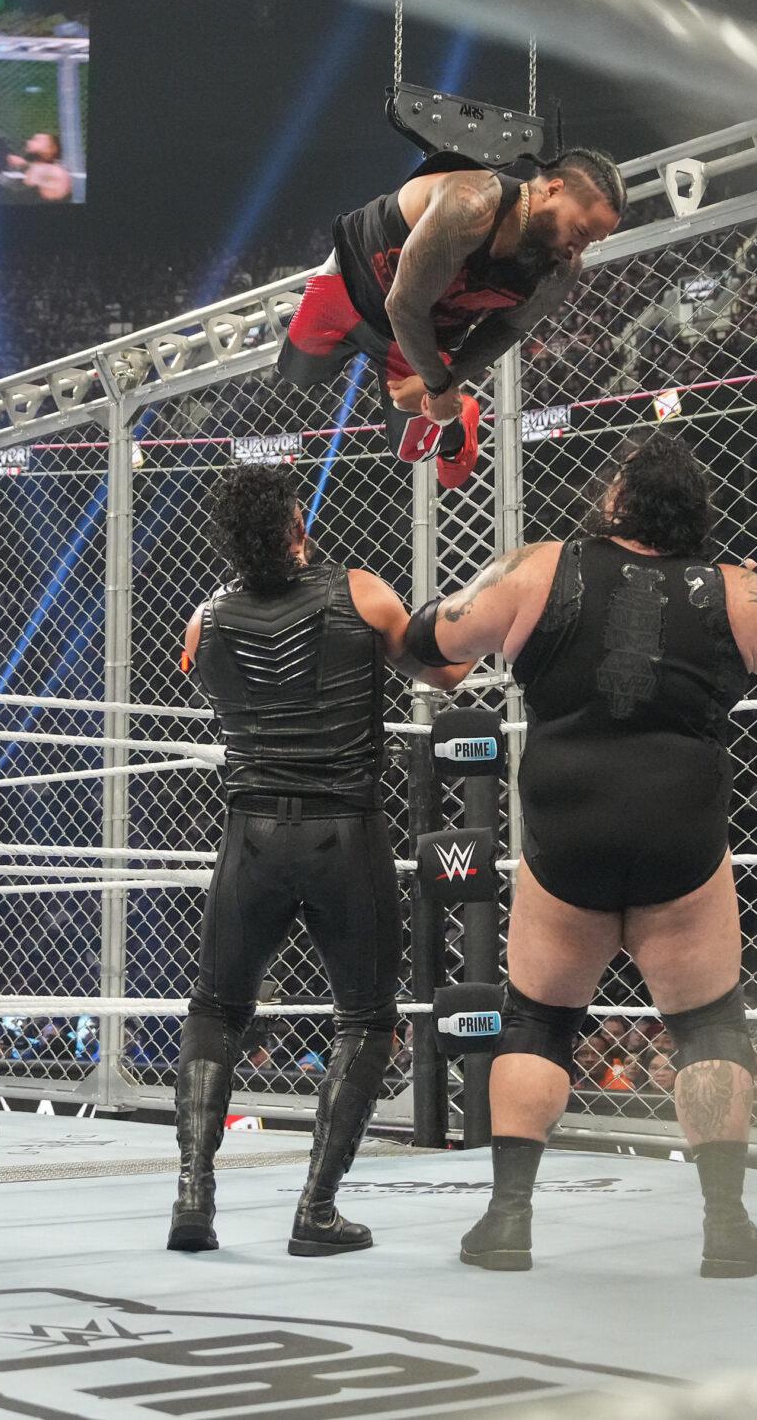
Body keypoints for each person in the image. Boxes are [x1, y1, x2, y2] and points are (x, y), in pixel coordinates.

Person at [397, 431, 757, 1277]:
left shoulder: (539, 568)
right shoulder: (736, 590)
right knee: (708, 1024)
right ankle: (726, 1227)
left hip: (569, 829)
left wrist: (450, 645)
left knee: (539, 1019)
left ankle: (508, 1220)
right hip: (680, 832)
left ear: (616, 501)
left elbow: (430, 637)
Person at [169, 464, 471, 1257]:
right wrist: (465, 617)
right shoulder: (361, 593)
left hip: (250, 835)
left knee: (216, 1007)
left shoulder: (206, 618)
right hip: (344, 831)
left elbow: (200, 674)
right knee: (366, 1017)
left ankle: (193, 1194)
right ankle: (317, 1208)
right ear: (297, 527)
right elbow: (445, 670)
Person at [276, 148, 626, 489]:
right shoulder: (471, 203)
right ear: (553, 189)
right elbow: (403, 305)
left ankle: (458, 428)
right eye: (580, 232)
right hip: (354, 281)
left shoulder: (560, 271)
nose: (576, 250)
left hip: (424, 331)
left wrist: (447, 381)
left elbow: (507, 328)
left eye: (590, 242)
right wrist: (439, 386)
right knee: (296, 371)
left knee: (410, 449)